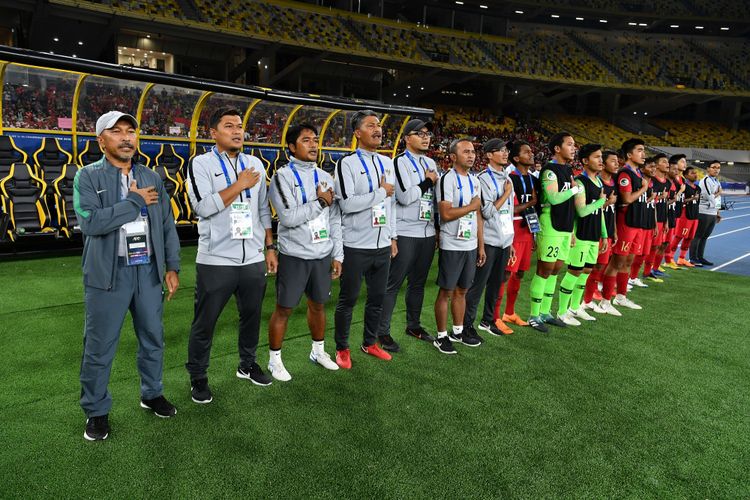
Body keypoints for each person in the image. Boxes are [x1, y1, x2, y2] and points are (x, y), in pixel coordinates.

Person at [75, 111, 181, 441]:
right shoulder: (87, 177)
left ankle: (151, 394)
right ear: (101, 140)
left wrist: (172, 266)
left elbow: (166, 225)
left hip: (147, 270)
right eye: (116, 131)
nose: (126, 137)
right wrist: (134, 201)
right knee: (99, 347)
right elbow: (91, 223)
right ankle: (96, 410)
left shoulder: (151, 175)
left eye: (131, 131)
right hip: (108, 275)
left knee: (153, 338)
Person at [185, 107, 275, 404]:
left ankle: (247, 365)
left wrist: (269, 246)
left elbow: (263, 209)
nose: (238, 131)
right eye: (229, 126)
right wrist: (239, 185)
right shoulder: (200, 164)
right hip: (216, 259)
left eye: (240, 126)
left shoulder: (255, 164)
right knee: (205, 322)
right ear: (213, 133)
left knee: (251, 316)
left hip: (252, 257)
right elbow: (203, 207)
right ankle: (198, 377)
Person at [266, 123, 343, 381]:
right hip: (295, 255)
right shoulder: (282, 177)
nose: (313, 144)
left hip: (322, 254)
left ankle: (318, 351)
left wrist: (337, 253)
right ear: (291, 146)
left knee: (319, 305)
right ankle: (274, 360)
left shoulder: (325, 177)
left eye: (315, 140)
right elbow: (287, 218)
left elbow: (334, 220)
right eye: (306, 140)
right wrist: (320, 201)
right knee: (284, 309)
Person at [333, 110, 397, 369]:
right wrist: (381, 192)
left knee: (377, 298)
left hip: (382, 245)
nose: (378, 129)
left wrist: (392, 236)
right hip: (356, 245)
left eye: (379, 125)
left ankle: (370, 342)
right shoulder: (346, 164)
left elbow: (390, 205)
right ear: (357, 133)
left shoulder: (387, 162)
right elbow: (347, 204)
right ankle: (342, 348)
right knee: (348, 300)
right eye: (371, 125)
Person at [376, 119, 439, 352]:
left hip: (427, 231)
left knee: (418, 283)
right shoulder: (398, 163)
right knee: (393, 283)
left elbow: (432, 200)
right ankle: (382, 332)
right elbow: (404, 197)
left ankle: (413, 325)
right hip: (405, 231)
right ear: (406, 138)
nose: (426, 137)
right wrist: (428, 181)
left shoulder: (431, 162)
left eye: (427, 133)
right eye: (419, 133)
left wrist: (438, 229)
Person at [434, 138, 485, 353]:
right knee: (446, 291)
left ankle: (458, 330)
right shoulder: (446, 180)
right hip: (452, 243)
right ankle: (441, 336)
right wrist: (471, 206)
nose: (471, 155)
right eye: (466, 152)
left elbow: (478, 216)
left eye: (472, 151)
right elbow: (445, 214)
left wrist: (481, 246)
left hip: (470, 244)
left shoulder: (475, 180)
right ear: (453, 157)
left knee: (462, 290)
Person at [527, 132, 579, 333]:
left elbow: (569, 205)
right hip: (550, 224)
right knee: (545, 269)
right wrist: (575, 190)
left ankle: (546, 313)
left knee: (556, 269)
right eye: (569, 144)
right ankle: (533, 315)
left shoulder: (568, 169)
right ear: (557, 148)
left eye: (574, 145)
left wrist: (572, 230)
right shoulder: (549, 170)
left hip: (565, 227)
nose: (573, 148)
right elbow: (555, 198)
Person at [463, 138, 515, 338]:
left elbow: (508, 214)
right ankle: (467, 325)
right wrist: (505, 195)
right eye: (500, 150)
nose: (505, 153)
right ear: (488, 155)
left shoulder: (507, 179)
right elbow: (485, 212)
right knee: (478, 286)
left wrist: (510, 241)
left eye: (506, 150)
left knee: (496, 284)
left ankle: (488, 320)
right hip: (489, 241)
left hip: (503, 240)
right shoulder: (482, 179)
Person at [558, 143, 610, 325]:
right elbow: (581, 211)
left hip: (594, 234)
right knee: (574, 271)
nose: (600, 160)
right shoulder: (580, 182)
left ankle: (575, 307)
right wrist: (601, 202)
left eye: (601, 157)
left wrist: (604, 234)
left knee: (587, 271)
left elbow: (600, 211)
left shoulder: (599, 182)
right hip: (580, 234)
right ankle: (562, 311)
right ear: (585, 161)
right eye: (597, 157)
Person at [494, 140, 540, 328]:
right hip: (513, 232)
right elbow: (507, 210)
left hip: (528, 232)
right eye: (526, 152)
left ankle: (509, 313)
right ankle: (495, 316)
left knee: (520, 273)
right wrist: (530, 204)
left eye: (531, 151)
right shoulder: (509, 178)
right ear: (515, 158)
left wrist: (535, 233)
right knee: (505, 275)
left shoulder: (533, 179)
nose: (531, 154)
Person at [600, 138, 649, 312]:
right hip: (625, 223)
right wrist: (644, 188)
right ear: (629, 154)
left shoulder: (638, 173)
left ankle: (621, 297)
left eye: (643, 150)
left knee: (628, 261)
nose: (643, 154)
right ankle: (605, 301)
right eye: (639, 150)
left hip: (637, 224)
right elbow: (627, 199)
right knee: (617, 263)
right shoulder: (625, 173)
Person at [583, 149, 618, 314]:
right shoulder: (593, 183)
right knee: (586, 268)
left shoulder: (613, 183)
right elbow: (588, 209)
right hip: (592, 230)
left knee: (600, 266)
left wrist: (614, 231)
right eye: (612, 161)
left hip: (607, 230)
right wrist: (606, 201)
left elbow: (613, 209)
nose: (616, 164)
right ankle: (583, 301)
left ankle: (589, 299)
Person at [628, 157, 658, 289]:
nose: (653, 169)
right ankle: (628, 278)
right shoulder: (639, 182)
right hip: (638, 222)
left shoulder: (651, 184)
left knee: (643, 253)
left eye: (654, 167)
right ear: (642, 167)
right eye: (651, 166)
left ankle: (633, 277)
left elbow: (653, 205)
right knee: (634, 254)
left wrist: (655, 224)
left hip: (648, 222)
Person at [641, 154, 671, 282]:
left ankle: (648, 272)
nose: (667, 164)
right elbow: (648, 201)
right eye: (664, 162)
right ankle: (635, 275)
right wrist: (659, 198)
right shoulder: (650, 181)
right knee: (643, 248)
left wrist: (666, 221)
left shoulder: (668, 183)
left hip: (660, 218)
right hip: (648, 218)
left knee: (655, 247)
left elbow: (666, 204)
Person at [690, 161, 722, 266]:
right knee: (698, 235)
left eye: (718, 167)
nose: (716, 169)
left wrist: (718, 211)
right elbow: (710, 196)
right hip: (703, 211)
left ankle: (700, 257)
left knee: (705, 236)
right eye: (714, 167)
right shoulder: (705, 181)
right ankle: (693, 259)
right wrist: (718, 193)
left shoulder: (717, 181)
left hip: (712, 212)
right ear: (708, 169)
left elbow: (717, 198)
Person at [668, 166, 701, 267]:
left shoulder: (698, 188)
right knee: (679, 237)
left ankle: (681, 258)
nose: (695, 174)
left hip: (694, 216)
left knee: (689, 238)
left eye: (695, 172)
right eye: (692, 173)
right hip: (685, 216)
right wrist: (691, 199)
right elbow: (680, 200)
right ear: (685, 175)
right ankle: (670, 257)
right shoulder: (684, 187)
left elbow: (697, 202)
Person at [664, 154, 687, 269]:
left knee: (669, 238)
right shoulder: (670, 180)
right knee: (663, 240)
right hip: (667, 211)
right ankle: (667, 260)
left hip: (676, 211)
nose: (685, 164)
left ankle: (669, 259)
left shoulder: (682, 179)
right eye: (682, 162)